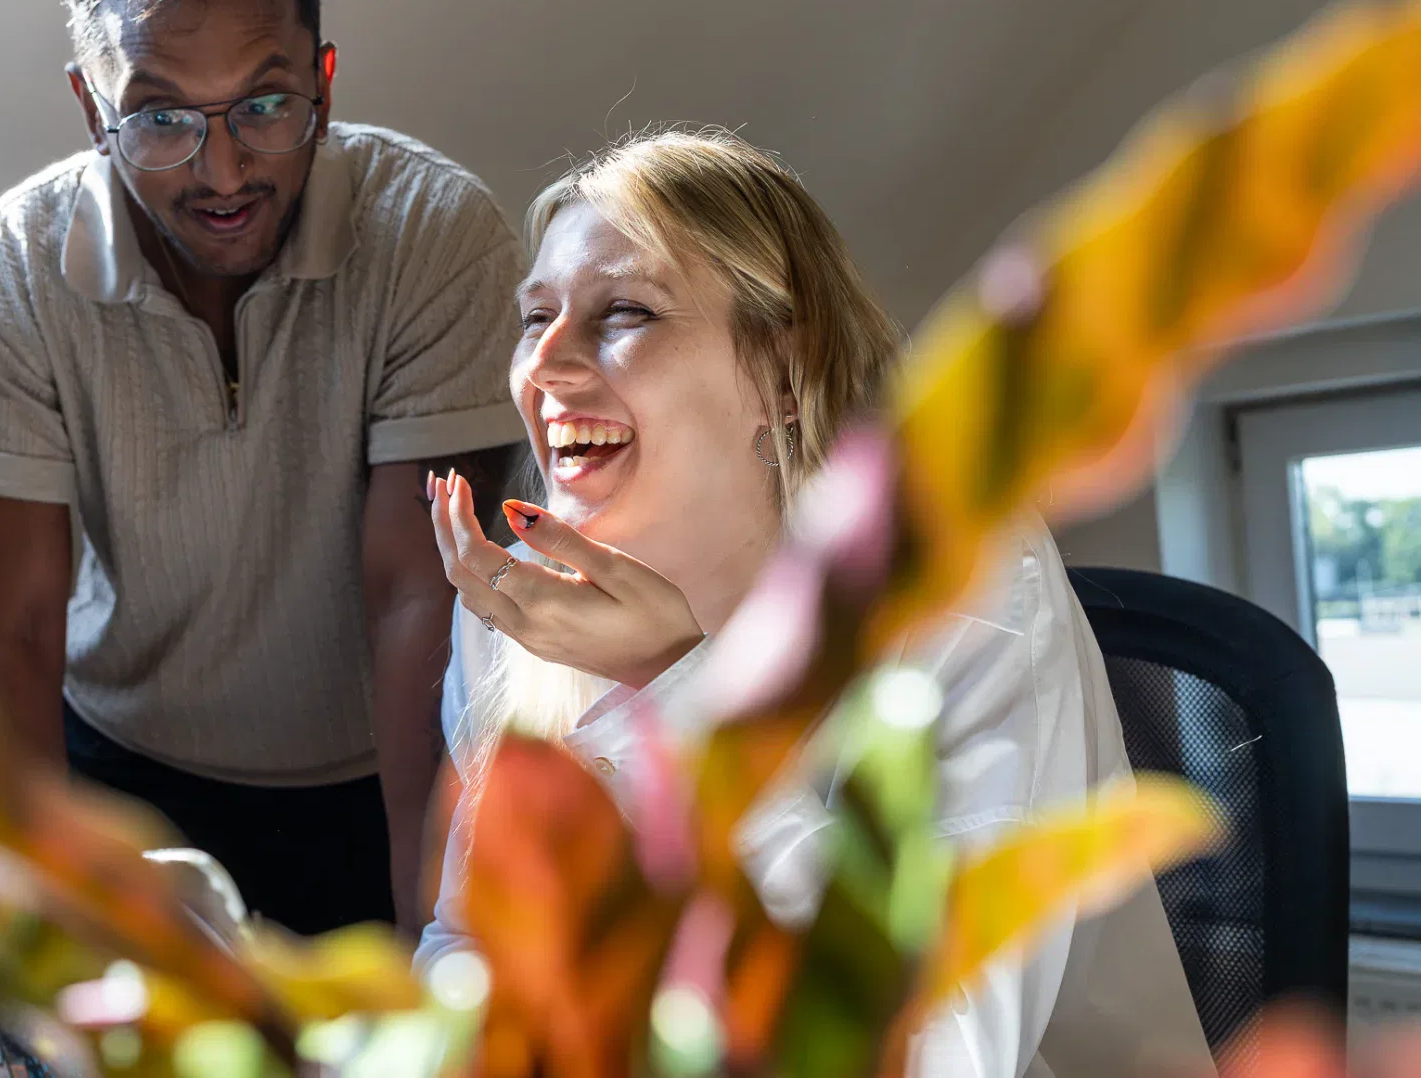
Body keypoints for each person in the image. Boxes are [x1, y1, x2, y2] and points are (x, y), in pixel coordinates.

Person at [415, 129, 1213, 1078]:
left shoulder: (963, 584)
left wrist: (673, 688)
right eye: (533, 315)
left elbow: (930, 1049)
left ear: (783, 373)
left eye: (622, 311)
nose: (543, 366)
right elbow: (470, 945)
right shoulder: (512, 608)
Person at [0, 0, 525, 936]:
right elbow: (7, 628)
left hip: (374, 775)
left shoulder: (437, 233)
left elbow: (418, 598)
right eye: (160, 118)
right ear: (89, 106)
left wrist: (431, 924)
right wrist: (45, 923)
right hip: (121, 775)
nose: (223, 170)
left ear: (325, 82)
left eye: (265, 104)